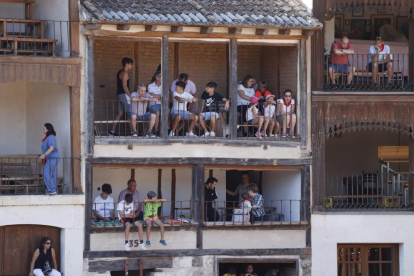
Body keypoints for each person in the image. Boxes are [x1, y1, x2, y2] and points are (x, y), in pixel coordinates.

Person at [109, 57, 133, 136]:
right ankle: (132, 132)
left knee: (120, 113)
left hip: (119, 94)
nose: (131, 66)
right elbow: (124, 87)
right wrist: (130, 96)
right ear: (127, 64)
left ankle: (112, 131)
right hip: (123, 95)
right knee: (130, 112)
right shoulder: (125, 73)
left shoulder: (120, 72)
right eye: (131, 64)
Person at [39, 123, 60, 195]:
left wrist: (44, 155)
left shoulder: (51, 137)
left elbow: (52, 147)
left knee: (46, 173)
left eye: (44, 129)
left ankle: (52, 189)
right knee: (52, 174)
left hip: (52, 158)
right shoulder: (49, 137)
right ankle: (53, 189)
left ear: (48, 129)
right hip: (51, 158)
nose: (43, 130)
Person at [147, 71, 162, 136]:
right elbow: (152, 96)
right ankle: (156, 131)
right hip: (153, 104)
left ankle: (167, 130)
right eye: (161, 77)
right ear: (157, 78)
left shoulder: (164, 86)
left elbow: (166, 97)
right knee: (157, 112)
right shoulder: (150, 86)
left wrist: (156, 95)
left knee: (169, 111)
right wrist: (161, 96)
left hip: (163, 104)